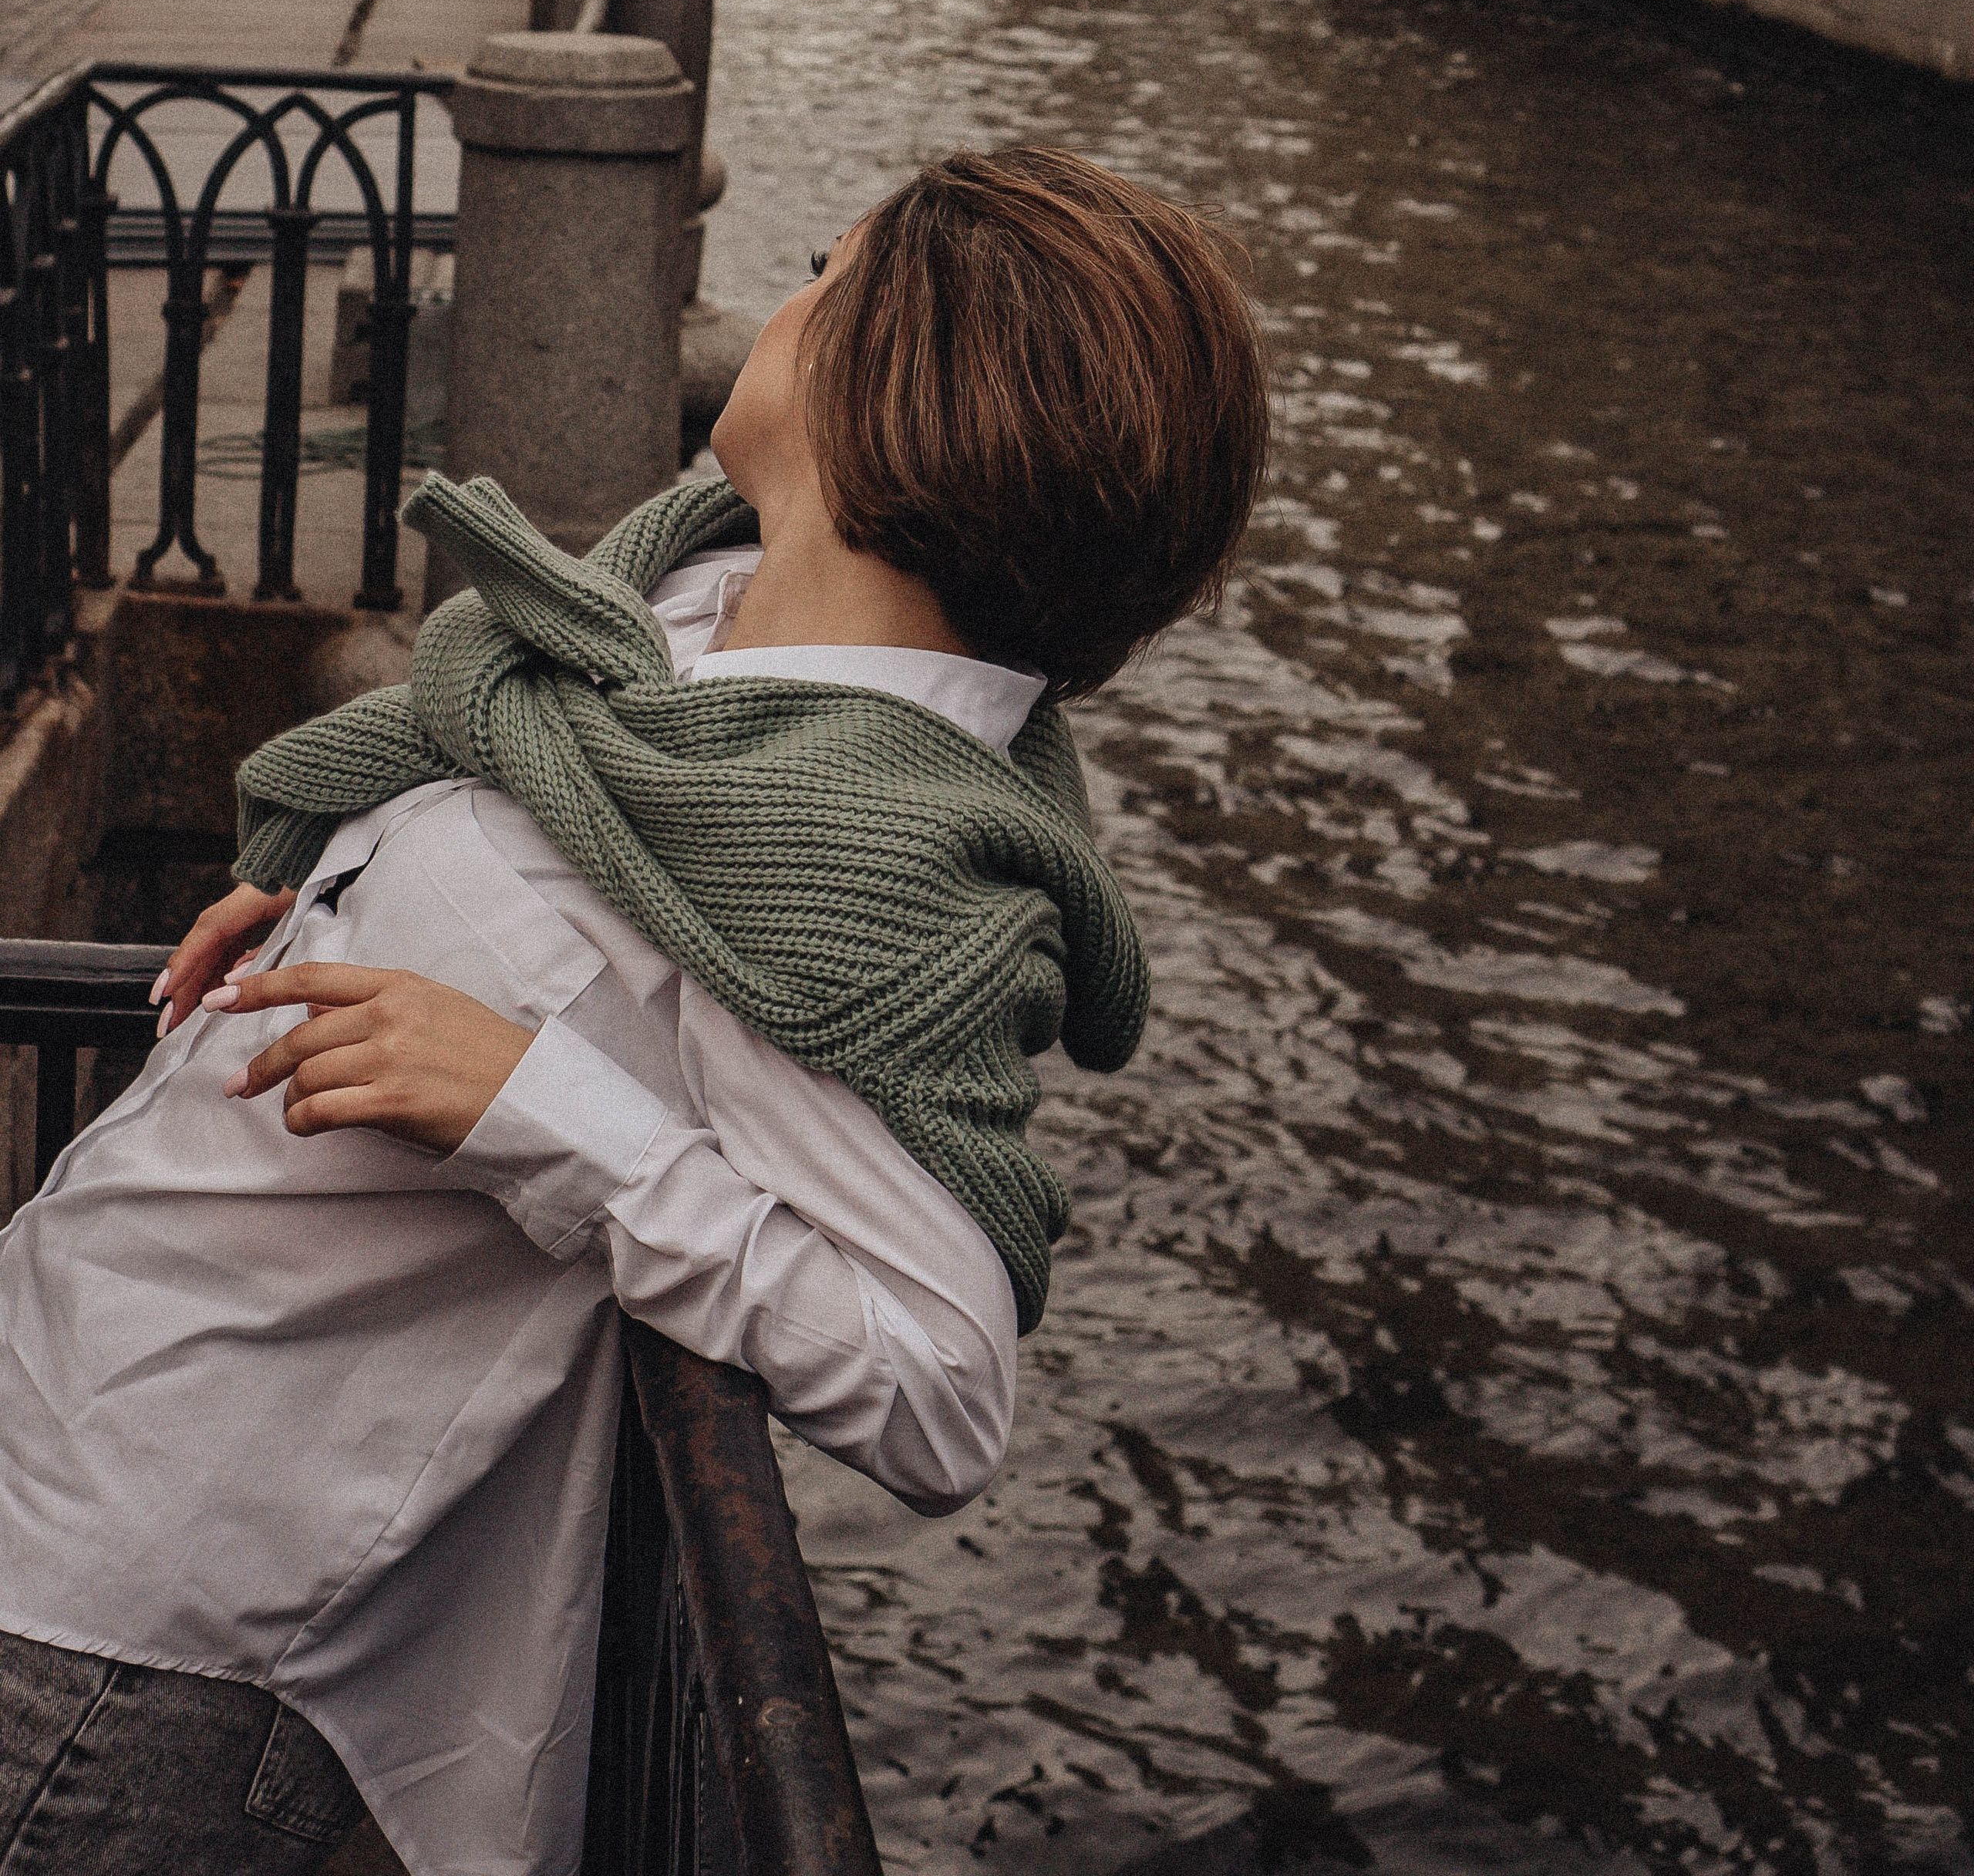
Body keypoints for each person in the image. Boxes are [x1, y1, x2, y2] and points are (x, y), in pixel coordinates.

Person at [0, 147, 1269, 1876]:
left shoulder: (849, 853)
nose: (782, 300)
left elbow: (940, 1383)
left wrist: (529, 1104)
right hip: (67, 1435)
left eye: (826, 272)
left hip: (134, 1623)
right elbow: (548, 858)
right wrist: (342, 877)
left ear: (900, 381)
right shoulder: (684, 652)